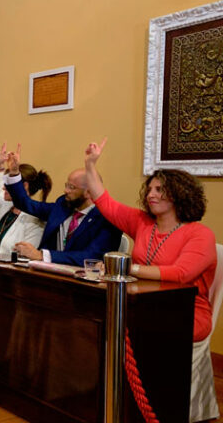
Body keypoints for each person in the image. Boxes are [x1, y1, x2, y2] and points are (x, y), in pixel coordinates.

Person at [84, 139, 216, 341]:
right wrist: (90, 164)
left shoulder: (200, 234)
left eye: (159, 190)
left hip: (185, 309)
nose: (150, 195)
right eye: (149, 190)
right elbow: (104, 201)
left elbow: (180, 274)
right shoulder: (142, 222)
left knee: (124, 326)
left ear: (179, 193)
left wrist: (126, 269)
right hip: (141, 301)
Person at [4, 144, 121, 266]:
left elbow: (91, 257)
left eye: (72, 187)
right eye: (66, 185)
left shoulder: (107, 220)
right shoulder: (63, 205)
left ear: (89, 192)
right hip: (47, 272)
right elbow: (25, 204)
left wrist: (42, 255)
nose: (66, 191)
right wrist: (14, 173)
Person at [0, 143, 51, 259]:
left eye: (8, 184)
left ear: (24, 186)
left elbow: (26, 258)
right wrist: (0, 166)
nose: (3, 188)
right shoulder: (7, 205)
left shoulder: (35, 220)